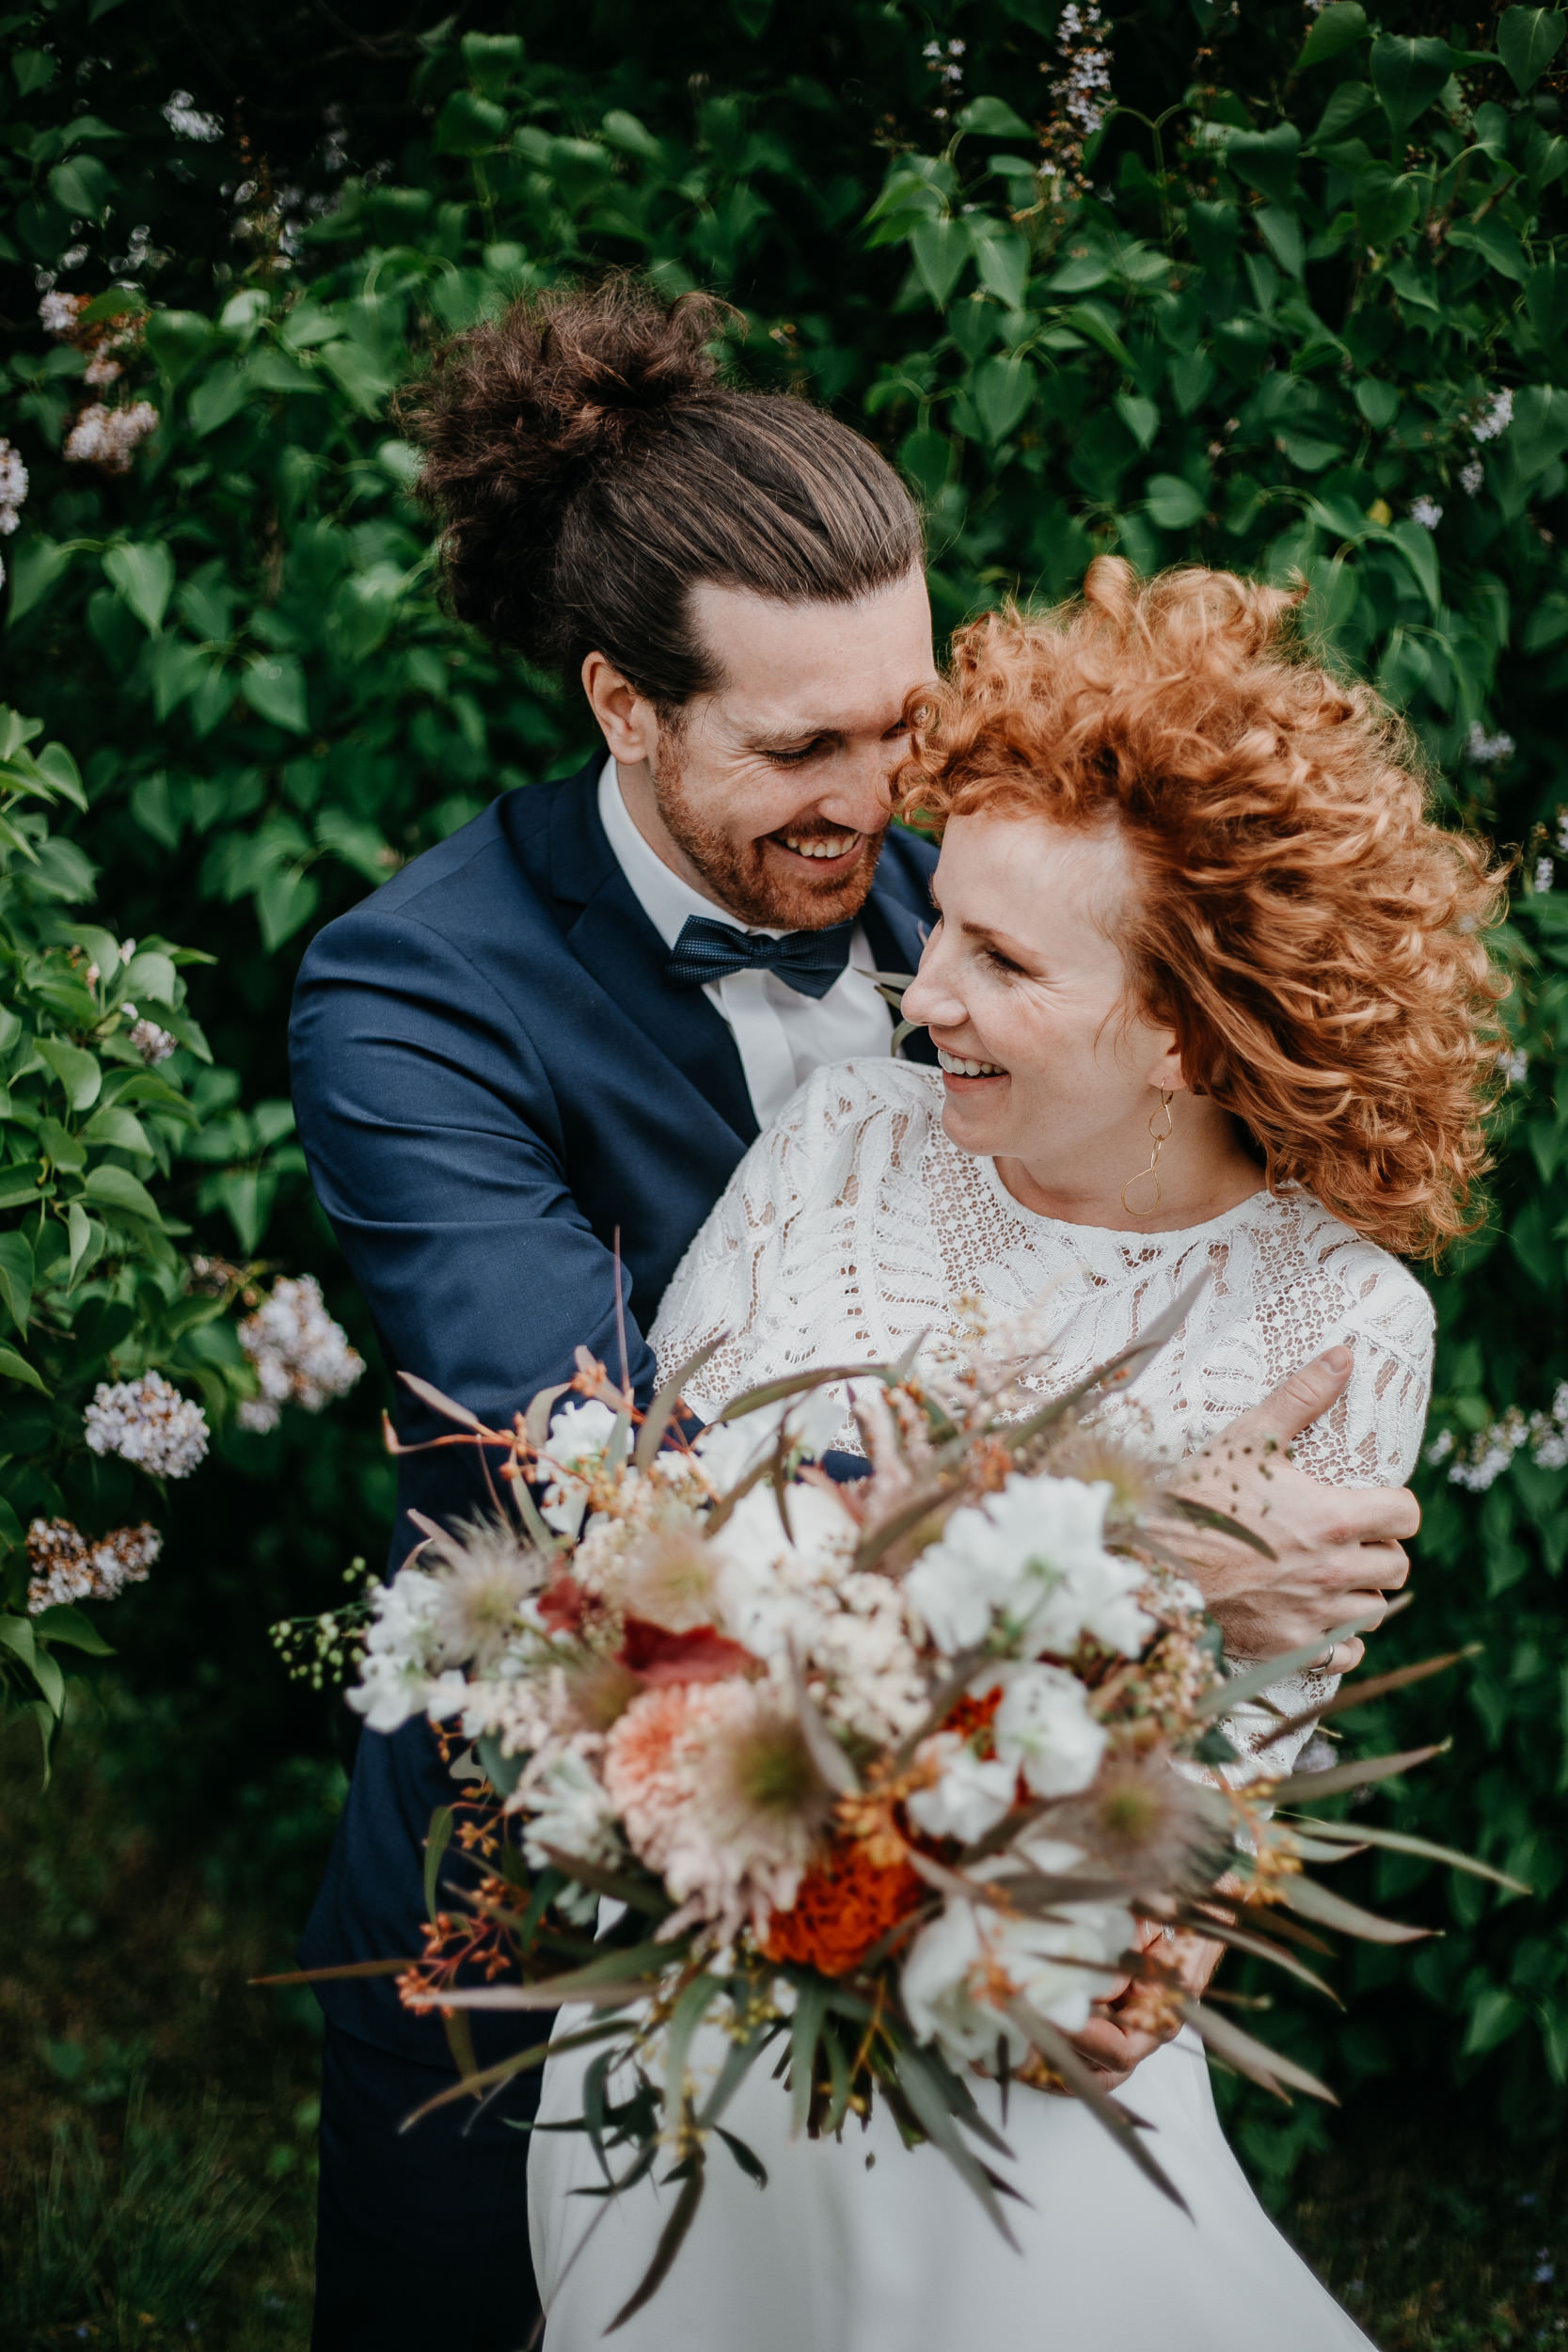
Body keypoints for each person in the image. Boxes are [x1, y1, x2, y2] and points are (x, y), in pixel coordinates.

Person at [288, 280, 1422, 2350]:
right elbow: (596, 1475)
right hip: (563, 1872)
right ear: (625, 705)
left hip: (976, 1896)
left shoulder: (1008, 890)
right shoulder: (413, 999)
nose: (880, 794)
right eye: (801, 745)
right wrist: (1135, 1526)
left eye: (903, 722)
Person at [529, 559, 1505, 2350]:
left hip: (1021, 2009)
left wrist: (1182, 1931)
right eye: (942, 927)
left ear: (1189, 1028)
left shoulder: (1346, 1326)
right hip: (718, 1938)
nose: (917, 997)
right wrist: (1131, 1550)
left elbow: (1232, 1767)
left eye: (1000, 959)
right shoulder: (842, 1145)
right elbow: (642, 1548)